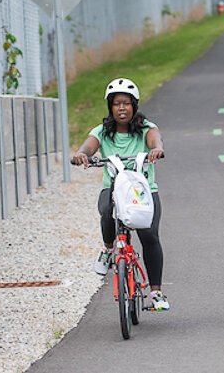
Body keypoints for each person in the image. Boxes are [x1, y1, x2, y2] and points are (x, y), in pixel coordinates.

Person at [72, 77, 169, 311]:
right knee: (106, 210)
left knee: (149, 236)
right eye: (116, 104)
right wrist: (81, 154)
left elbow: (155, 139)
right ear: (110, 107)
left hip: (143, 191)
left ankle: (156, 293)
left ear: (134, 105)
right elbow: (88, 146)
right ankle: (108, 250)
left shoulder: (146, 128)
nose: (121, 108)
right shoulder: (102, 131)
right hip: (114, 189)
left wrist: (156, 149)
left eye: (126, 103)